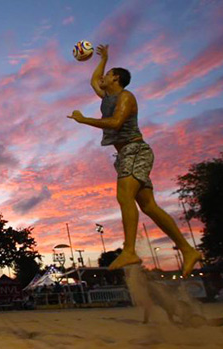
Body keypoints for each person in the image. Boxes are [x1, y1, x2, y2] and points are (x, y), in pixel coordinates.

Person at [68, 44, 203, 277]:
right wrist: (104, 59)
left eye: (108, 74)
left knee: (124, 196)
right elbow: (93, 81)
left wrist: (84, 119)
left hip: (135, 151)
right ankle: (188, 250)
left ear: (116, 78)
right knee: (149, 206)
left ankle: (129, 250)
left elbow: (116, 123)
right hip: (125, 154)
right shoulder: (108, 97)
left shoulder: (126, 97)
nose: (103, 77)